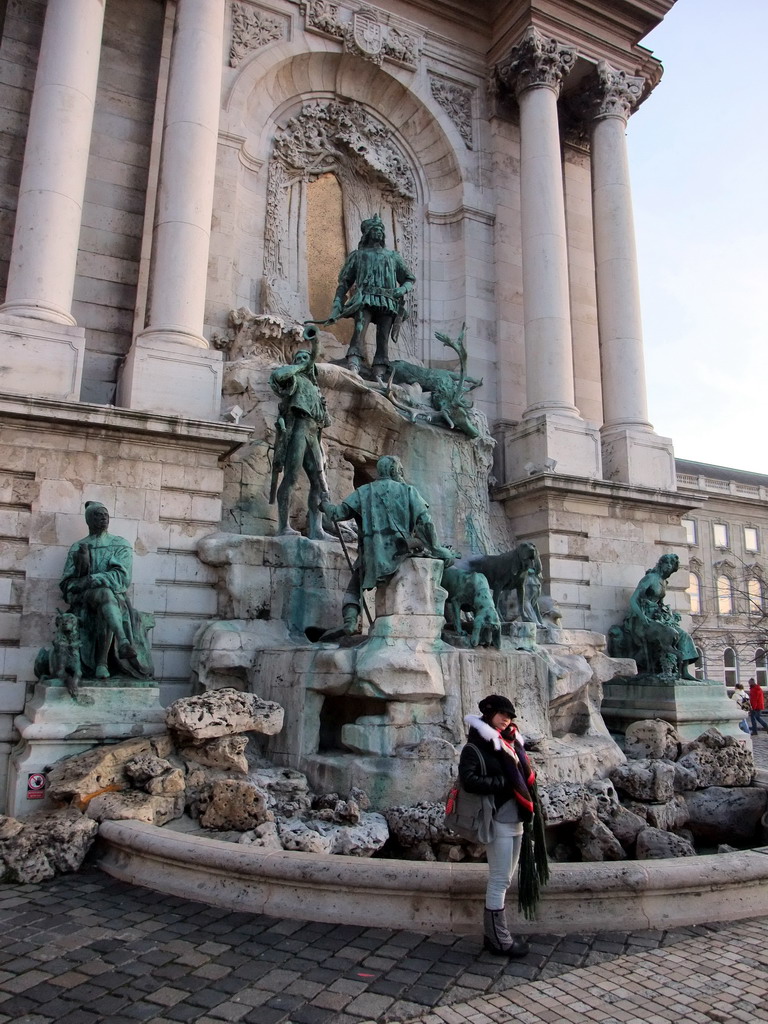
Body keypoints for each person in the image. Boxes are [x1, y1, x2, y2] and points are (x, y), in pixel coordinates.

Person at [320, 455, 456, 634]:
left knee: (355, 586)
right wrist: (437, 549)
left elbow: (337, 514)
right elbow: (425, 522)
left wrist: (325, 504)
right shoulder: (408, 491)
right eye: (399, 470)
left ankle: (350, 621)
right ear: (394, 471)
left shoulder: (364, 491)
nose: (401, 473)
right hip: (401, 552)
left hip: (373, 554)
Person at [458, 695, 547, 957]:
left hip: (517, 816)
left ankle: (495, 934)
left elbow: (523, 775)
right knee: (498, 880)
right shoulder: (475, 747)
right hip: (498, 818)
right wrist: (506, 784)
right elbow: (469, 781)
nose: (506, 719)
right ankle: (499, 939)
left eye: (509, 715)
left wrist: (521, 781)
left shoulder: (511, 742)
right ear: (488, 714)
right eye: (501, 714)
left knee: (505, 879)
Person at [60, 501, 153, 680]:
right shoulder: (78, 547)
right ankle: (121, 642)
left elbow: (122, 578)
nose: (103, 518)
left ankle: (103, 663)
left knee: (106, 594)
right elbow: (67, 583)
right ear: (89, 520)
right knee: (105, 594)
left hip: (113, 596)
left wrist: (92, 579)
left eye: (105, 515)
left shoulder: (120, 544)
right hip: (85, 599)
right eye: (97, 515)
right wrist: (82, 567)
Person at [330, 214, 415, 375]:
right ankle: (354, 358)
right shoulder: (358, 255)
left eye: (381, 230)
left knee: (383, 335)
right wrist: (337, 303)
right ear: (367, 233)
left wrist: (402, 290)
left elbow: (409, 278)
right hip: (365, 298)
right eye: (375, 229)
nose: (378, 232)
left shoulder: (393, 256)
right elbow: (345, 282)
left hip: (388, 300)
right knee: (360, 328)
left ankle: (380, 366)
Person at [268, 336, 332, 540]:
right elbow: (278, 375)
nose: (304, 359)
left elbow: (324, 421)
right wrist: (299, 367)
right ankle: (284, 526)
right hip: (298, 429)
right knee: (291, 477)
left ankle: (317, 529)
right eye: (299, 357)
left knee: (318, 482)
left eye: (306, 357)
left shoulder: (315, 388)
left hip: (314, 434)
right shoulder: (294, 379)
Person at [619, 553, 699, 679]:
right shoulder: (650, 578)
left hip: (658, 619)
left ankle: (684, 671)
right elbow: (633, 600)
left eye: (671, 565)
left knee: (684, 635)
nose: (669, 567)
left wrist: (670, 615)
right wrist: (642, 617)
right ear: (661, 563)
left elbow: (660, 604)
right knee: (665, 633)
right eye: (667, 563)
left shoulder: (663, 582)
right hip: (642, 619)